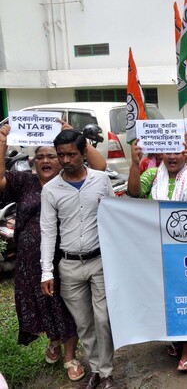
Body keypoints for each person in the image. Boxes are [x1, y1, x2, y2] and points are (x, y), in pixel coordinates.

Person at [0, 122, 106, 383]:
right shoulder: (31, 184)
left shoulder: (92, 180)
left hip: (83, 258)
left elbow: (101, 170)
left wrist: (76, 135)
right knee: (62, 313)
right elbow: (0, 181)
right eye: (41, 156)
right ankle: (66, 350)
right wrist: (2, 141)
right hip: (44, 262)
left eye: (54, 155)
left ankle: (90, 364)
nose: (48, 160)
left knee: (89, 317)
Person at [40, 129, 116, 388]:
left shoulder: (102, 180)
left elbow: (115, 217)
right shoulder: (51, 190)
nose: (65, 160)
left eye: (71, 154)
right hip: (70, 266)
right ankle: (94, 368)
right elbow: (48, 231)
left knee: (104, 320)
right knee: (84, 324)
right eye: (61, 155)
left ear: (84, 152)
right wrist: (46, 272)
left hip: (100, 262)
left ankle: (106, 373)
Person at [127, 139, 187, 372]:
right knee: (165, 297)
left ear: (186, 154)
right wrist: (133, 164)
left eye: (178, 152)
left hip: (186, 249)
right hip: (156, 248)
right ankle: (174, 339)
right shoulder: (151, 175)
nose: (173, 156)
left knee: (186, 297)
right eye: (168, 151)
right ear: (161, 154)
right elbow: (134, 192)